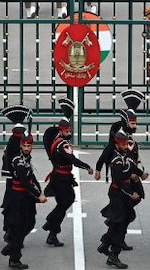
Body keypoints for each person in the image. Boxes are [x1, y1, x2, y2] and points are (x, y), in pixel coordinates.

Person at [42, 104, 93, 247]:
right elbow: (72, 160)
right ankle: (52, 227)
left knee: (65, 202)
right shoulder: (62, 145)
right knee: (65, 202)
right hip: (61, 178)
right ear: (61, 131)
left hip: (60, 176)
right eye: (66, 131)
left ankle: (52, 227)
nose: (68, 132)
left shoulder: (58, 139)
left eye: (69, 130)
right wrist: (86, 166)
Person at [1, 132, 46, 270]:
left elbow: (31, 176)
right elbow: (24, 181)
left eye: (29, 145)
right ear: (20, 145)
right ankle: (14, 258)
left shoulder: (27, 158)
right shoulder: (18, 161)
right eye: (24, 145)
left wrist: (39, 189)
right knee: (19, 227)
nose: (26, 148)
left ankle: (12, 245)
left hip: (26, 197)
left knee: (30, 223)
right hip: (18, 197)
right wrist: (38, 195)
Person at [98, 130, 140, 269]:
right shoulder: (116, 160)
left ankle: (105, 244)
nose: (126, 147)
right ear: (117, 145)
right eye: (123, 144)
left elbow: (131, 165)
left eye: (126, 144)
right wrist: (131, 193)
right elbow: (118, 180)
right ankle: (113, 255)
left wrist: (139, 174)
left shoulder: (125, 155)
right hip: (118, 193)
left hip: (122, 193)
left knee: (117, 222)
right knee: (120, 224)